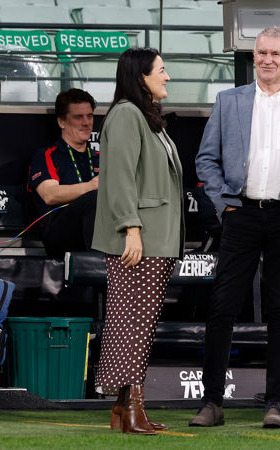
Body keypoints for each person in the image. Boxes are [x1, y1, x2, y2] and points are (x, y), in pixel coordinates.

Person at [191, 26, 280, 429]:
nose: (267, 59)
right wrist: (224, 204)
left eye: (275, 53)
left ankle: (275, 403)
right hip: (240, 214)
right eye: (261, 53)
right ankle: (212, 402)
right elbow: (206, 160)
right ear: (253, 56)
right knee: (222, 307)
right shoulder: (228, 101)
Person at [92, 47, 184, 435]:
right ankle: (130, 408)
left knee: (139, 326)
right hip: (138, 239)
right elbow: (119, 177)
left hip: (154, 238)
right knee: (131, 324)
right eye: (161, 70)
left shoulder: (146, 116)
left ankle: (127, 406)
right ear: (141, 77)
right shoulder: (127, 114)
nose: (167, 76)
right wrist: (131, 228)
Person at [27, 88, 99, 259]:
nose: (86, 123)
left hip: (98, 230)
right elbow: (50, 195)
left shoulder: (100, 157)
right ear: (61, 122)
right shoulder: (47, 155)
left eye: (89, 116)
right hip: (58, 234)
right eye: (78, 117)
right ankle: (98, 268)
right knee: (95, 198)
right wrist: (92, 186)